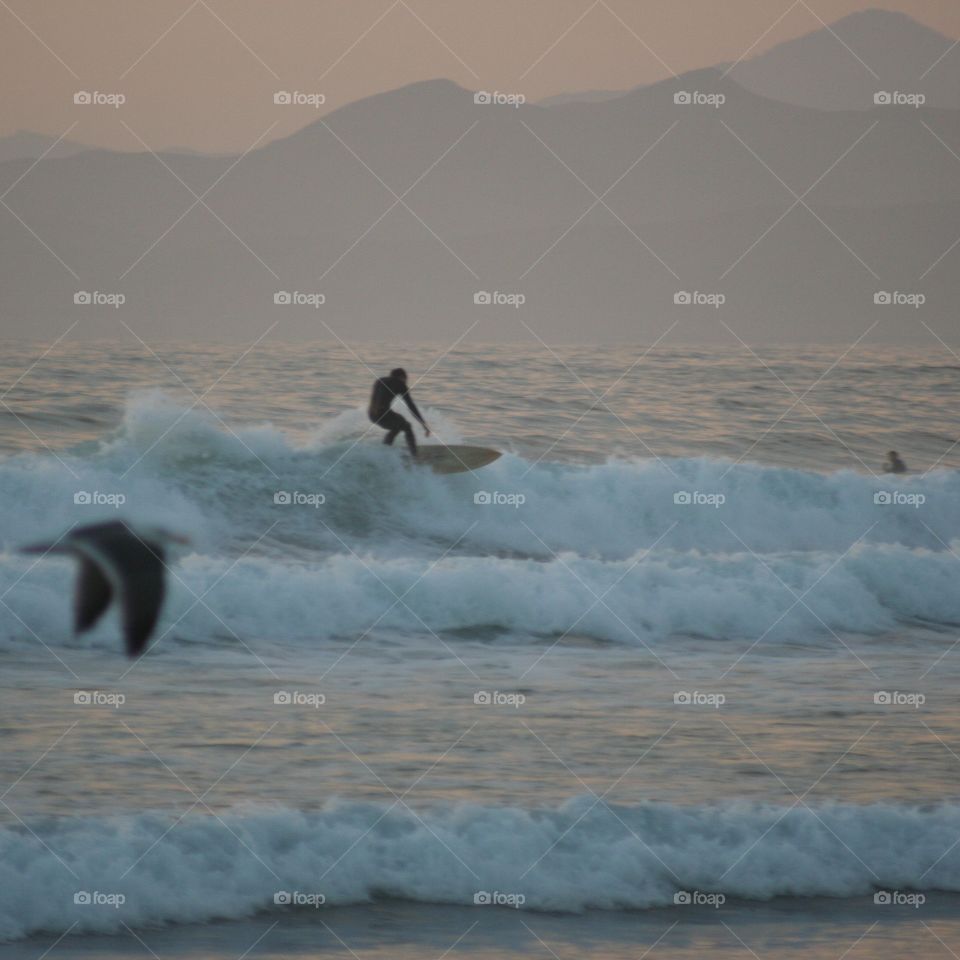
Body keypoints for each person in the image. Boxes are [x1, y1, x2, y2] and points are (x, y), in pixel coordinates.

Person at [368, 368, 430, 455]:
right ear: (402, 377)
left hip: (371, 415)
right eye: (406, 379)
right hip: (383, 415)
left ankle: (385, 448)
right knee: (407, 426)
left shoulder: (379, 380)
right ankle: (414, 456)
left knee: (398, 424)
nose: (406, 382)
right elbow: (411, 406)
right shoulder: (400, 384)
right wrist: (423, 423)